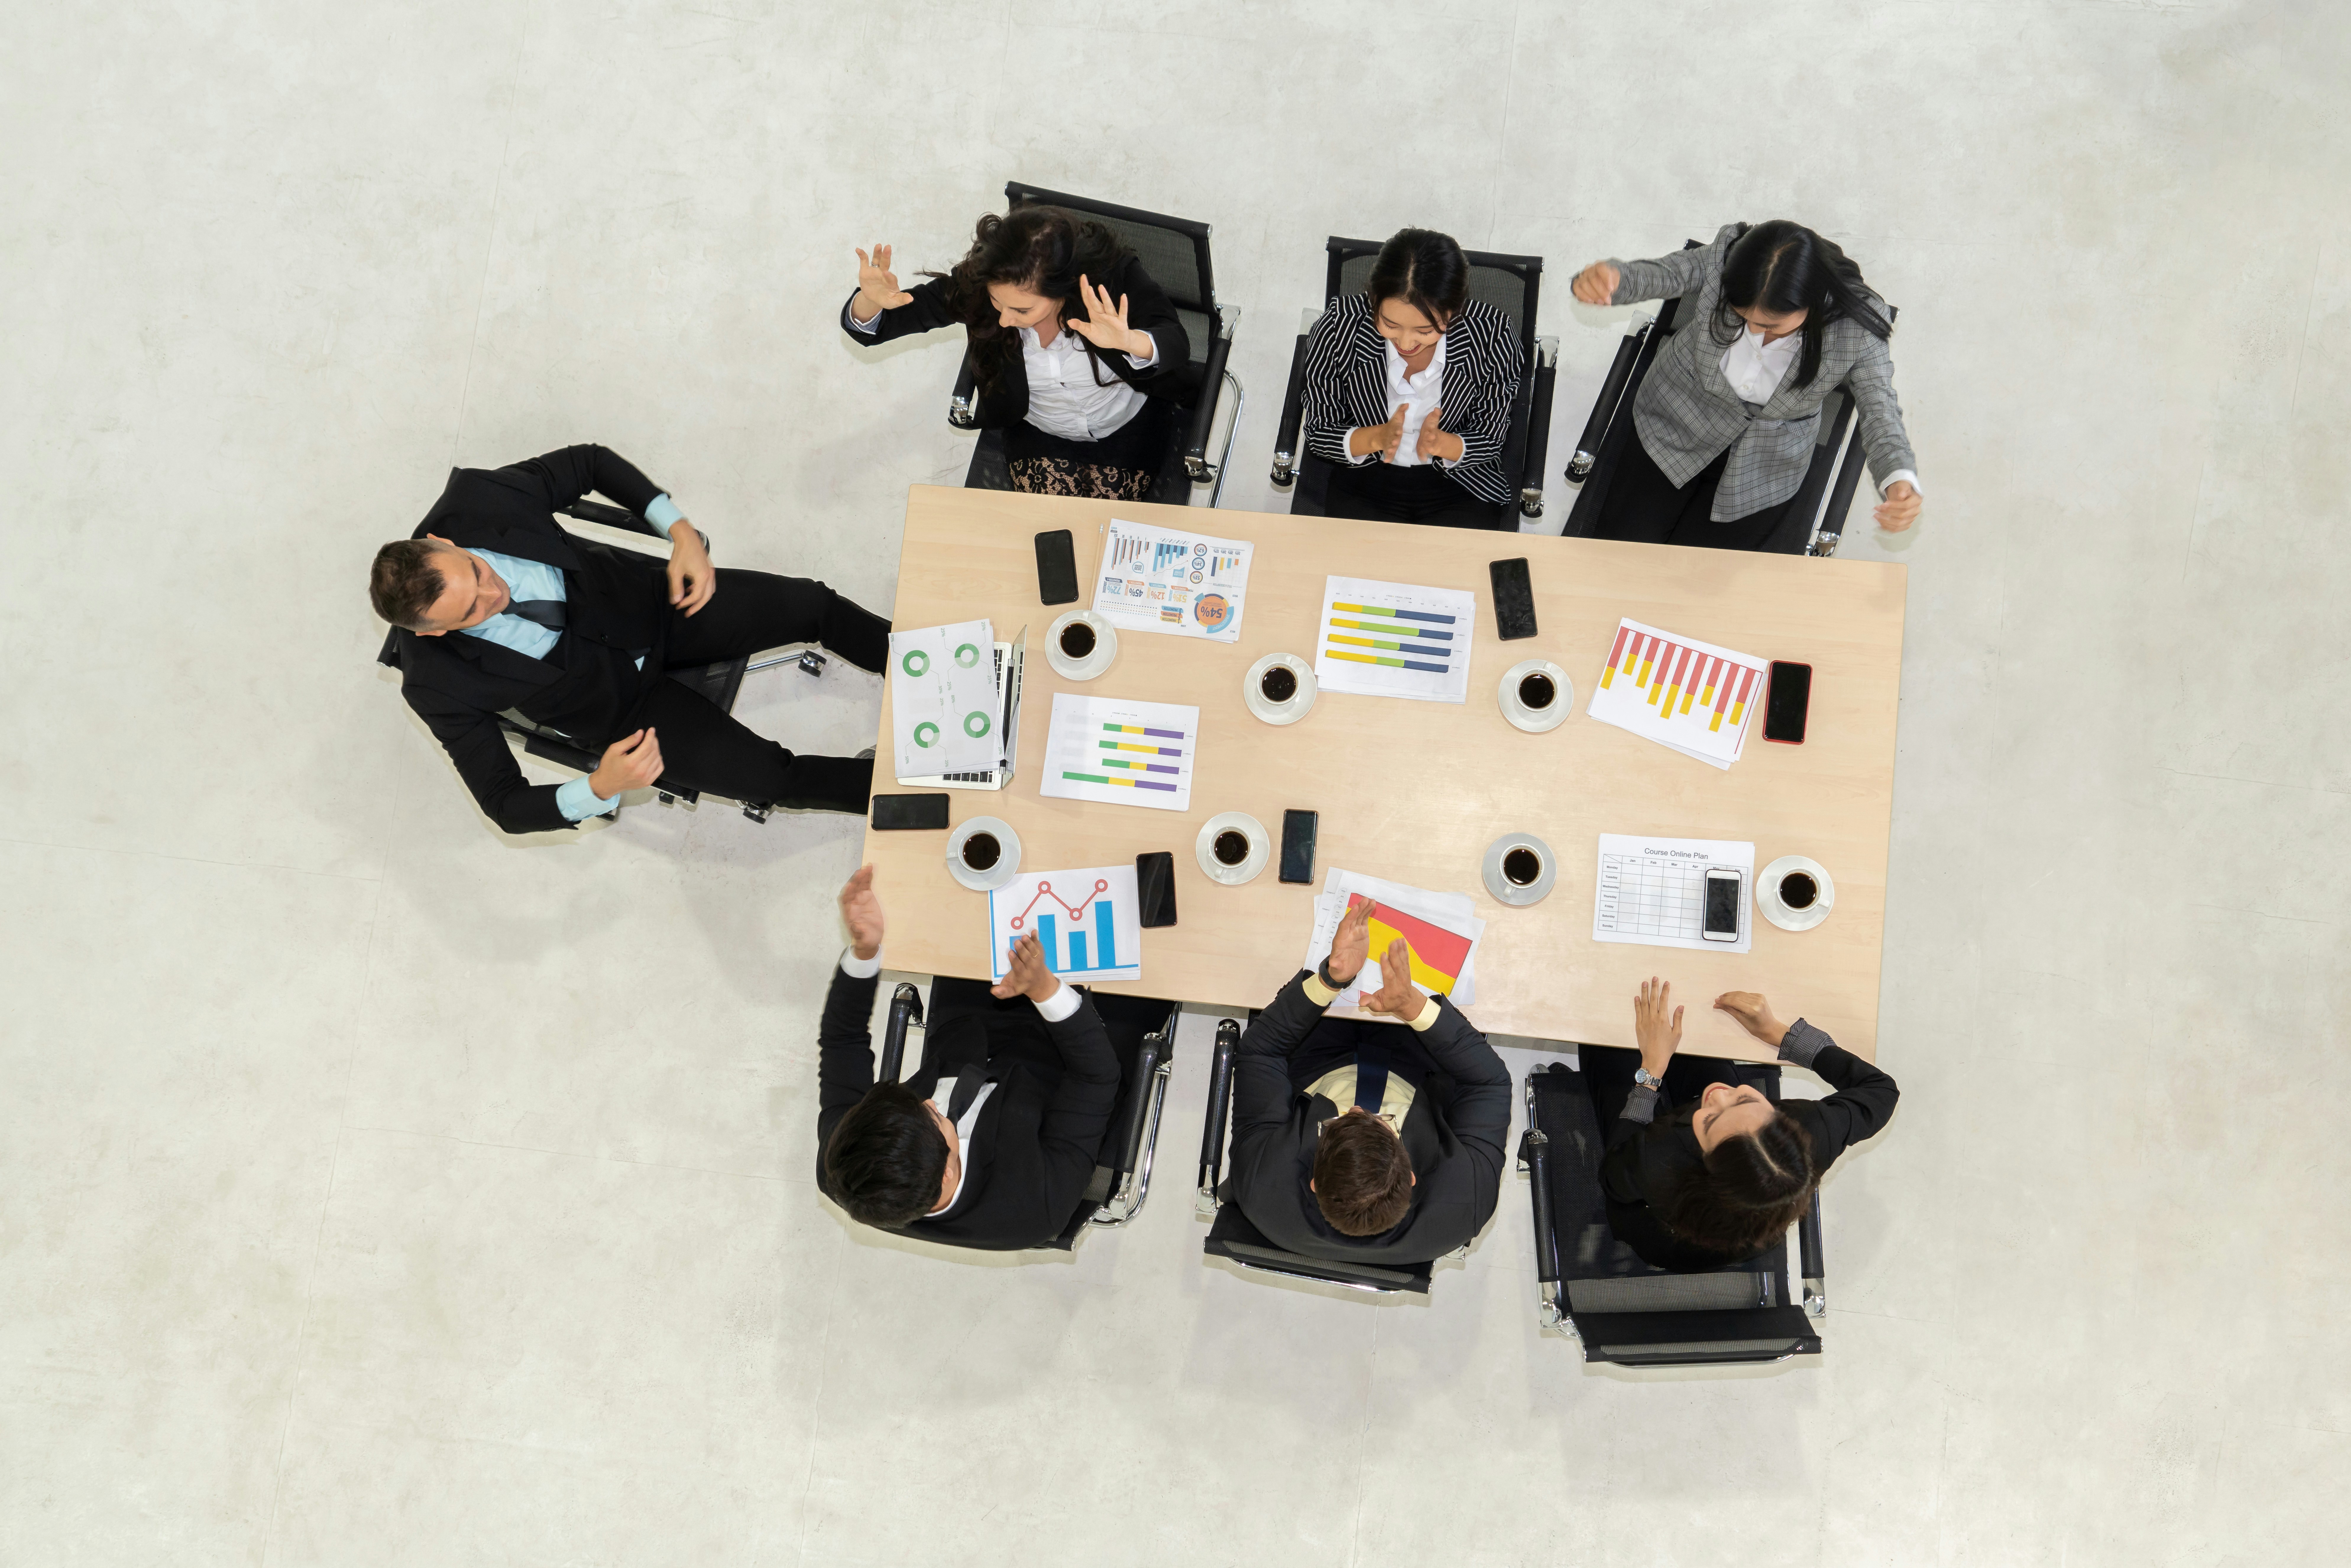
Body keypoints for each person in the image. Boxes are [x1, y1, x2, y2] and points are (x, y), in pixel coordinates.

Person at [370, 444, 887, 835]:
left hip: (657, 602)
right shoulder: (434, 685)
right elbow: (504, 805)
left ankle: (919, 661)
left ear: (443, 542)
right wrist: (599, 787)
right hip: (627, 714)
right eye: (472, 611)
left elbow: (589, 463)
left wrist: (678, 531)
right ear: (435, 631)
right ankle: (892, 788)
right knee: (775, 780)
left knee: (812, 606)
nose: (495, 593)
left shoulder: (477, 501)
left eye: (479, 572)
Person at [817, 868, 1169, 1251]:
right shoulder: (1033, 1206)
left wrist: (865, 952)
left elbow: (842, 1041)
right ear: (949, 1172)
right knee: (1152, 915)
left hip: (971, 1032)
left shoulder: (844, 1161)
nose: (932, 1101)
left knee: (979, 885)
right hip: (1075, 1061)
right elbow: (1096, 1077)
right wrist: (1047, 992)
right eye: (935, 1117)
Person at [1569, 220, 1922, 550]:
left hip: (1763, 469)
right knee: (1621, 557)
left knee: (1700, 586)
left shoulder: (1856, 325)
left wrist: (1898, 479)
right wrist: (1612, 279)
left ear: (1812, 303)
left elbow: (1880, 408)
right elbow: (1662, 274)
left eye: (1772, 325)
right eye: (1743, 317)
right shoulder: (1725, 257)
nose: (1754, 331)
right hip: (1672, 430)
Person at [1225, 898, 1511, 1264]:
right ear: (1410, 1177)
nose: (1359, 1108)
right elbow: (1490, 1083)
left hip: (1316, 1052)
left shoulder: (1263, 1182)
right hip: (1422, 1065)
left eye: (1341, 1121)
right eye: (1379, 1122)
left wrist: (1331, 979)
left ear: (1312, 1182)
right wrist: (1412, 1007)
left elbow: (1260, 1053)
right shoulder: (1464, 1200)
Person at [842, 206, 1191, 500]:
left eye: (1022, 311)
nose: (1006, 319)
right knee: (1043, 536)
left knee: (1105, 537)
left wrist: (1131, 342)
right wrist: (868, 302)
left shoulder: (1112, 278)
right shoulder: (981, 285)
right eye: (998, 303)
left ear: (1062, 289)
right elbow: (884, 323)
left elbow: (1174, 341)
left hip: (1127, 425)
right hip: (1038, 432)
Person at [1581, 978, 1901, 1271]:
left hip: (1660, 1232)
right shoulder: (1814, 1129)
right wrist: (1778, 1033)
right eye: (1746, 1100)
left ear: (1702, 1158)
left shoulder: (1658, 1163)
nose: (1717, 1096)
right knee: (1699, 1032)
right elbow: (1881, 1093)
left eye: (1710, 1121)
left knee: (1606, 1037)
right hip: (1744, 1220)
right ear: (1783, 1121)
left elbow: (1613, 1178)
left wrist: (1650, 1074)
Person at [1298, 227, 1526, 529]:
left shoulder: (1491, 335)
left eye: (1424, 331)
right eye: (1389, 325)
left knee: (1451, 571)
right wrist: (1378, 437)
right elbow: (1320, 430)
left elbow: (1491, 435)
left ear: (1453, 311)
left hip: (1460, 485)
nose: (1405, 343)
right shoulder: (1339, 328)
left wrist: (1442, 443)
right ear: (1374, 299)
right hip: (1365, 479)